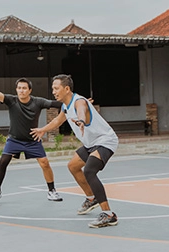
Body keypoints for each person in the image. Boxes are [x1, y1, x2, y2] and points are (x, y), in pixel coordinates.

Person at [31, 74, 119, 228]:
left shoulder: (78, 101)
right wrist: (42, 130)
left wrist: (81, 120)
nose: (54, 91)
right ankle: (92, 198)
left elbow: (82, 109)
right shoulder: (65, 106)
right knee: (73, 166)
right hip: (91, 143)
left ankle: (109, 214)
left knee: (90, 171)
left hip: (105, 140)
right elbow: (58, 120)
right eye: (53, 88)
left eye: (56, 88)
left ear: (66, 89)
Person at [0, 72, 64, 205]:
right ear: (16, 89)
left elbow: (58, 104)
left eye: (24, 88)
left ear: (30, 90)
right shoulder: (12, 100)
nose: (21, 90)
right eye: (19, 88)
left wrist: (79, 102)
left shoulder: (38, 102)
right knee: (3, 161)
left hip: (32, 140)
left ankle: (52, 191)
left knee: (45, 163)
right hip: (14, 139)